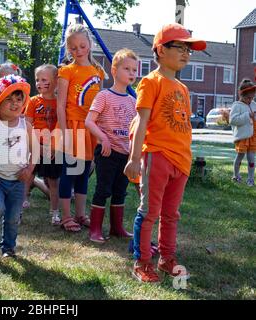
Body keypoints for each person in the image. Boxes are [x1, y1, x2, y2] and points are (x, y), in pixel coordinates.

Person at [124, 23, 206, 282]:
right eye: (179, 47)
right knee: (149, 211)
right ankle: (142, 262)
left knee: (171, 215)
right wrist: (135, 159)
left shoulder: (183, 89)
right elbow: (141, 123)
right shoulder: (151, 82)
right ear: (160, 50)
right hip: (156, 155)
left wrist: (187, 156)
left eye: (188, 49)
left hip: (181, 160)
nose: (186, 53)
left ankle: (166, 259)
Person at [0, 74, 37, 259]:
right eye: (9, 99)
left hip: (18, 181)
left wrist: (29, 169)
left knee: (13, 216)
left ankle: (9, 247)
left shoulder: (25, 125)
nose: (15, 103)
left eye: (19, 99)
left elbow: (35, 150)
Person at [56, 23, 107, 232]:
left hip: (90, 129)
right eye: (73, 48)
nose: (78, 51)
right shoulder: (66, 71)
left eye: (82, 46)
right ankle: (66, 216)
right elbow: (60, 105)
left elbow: (101, 104)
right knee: (69, 172)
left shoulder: (98, 71)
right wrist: (64, 131)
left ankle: (80, 214)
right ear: (68, 49)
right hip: (72, 127)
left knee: (84, 173)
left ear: (90, 44)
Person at [85, 48, 138, 243]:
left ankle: (117, 228)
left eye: (134, 70)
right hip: (107, 152)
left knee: (120, 191)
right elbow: (89, 121)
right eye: (127, 69)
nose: (131, 73)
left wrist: (134, 154)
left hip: (125, 155)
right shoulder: (104, 96)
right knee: (103, 189)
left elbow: (135, 130)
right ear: (114, 70)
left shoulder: (134, 102)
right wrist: (103, 138)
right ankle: (95, 229)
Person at [24, 64, 62, 225]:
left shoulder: (60, 102)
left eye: (44, 79)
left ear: (55, 81)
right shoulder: (32, 101)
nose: (39, 83)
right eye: (37, 80)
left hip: (52, 148)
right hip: (35, 145)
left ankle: (55, 212)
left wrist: (54, 146)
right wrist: (34, 146)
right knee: (27, 175)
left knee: (53, 181)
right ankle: (20, 204)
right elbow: (27, 124)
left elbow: (62, 125)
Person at [229, 79, 256, 186]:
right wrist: (246, 116)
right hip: (242, 136)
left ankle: (250, 178)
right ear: (242, 95)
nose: (250, 100)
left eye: (252, 97)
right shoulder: (237, 105)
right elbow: (233, 120)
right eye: (248, 98)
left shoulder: (254, 104)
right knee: (240, 155)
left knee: (251, 157)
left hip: (253, 135)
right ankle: (236, 175)